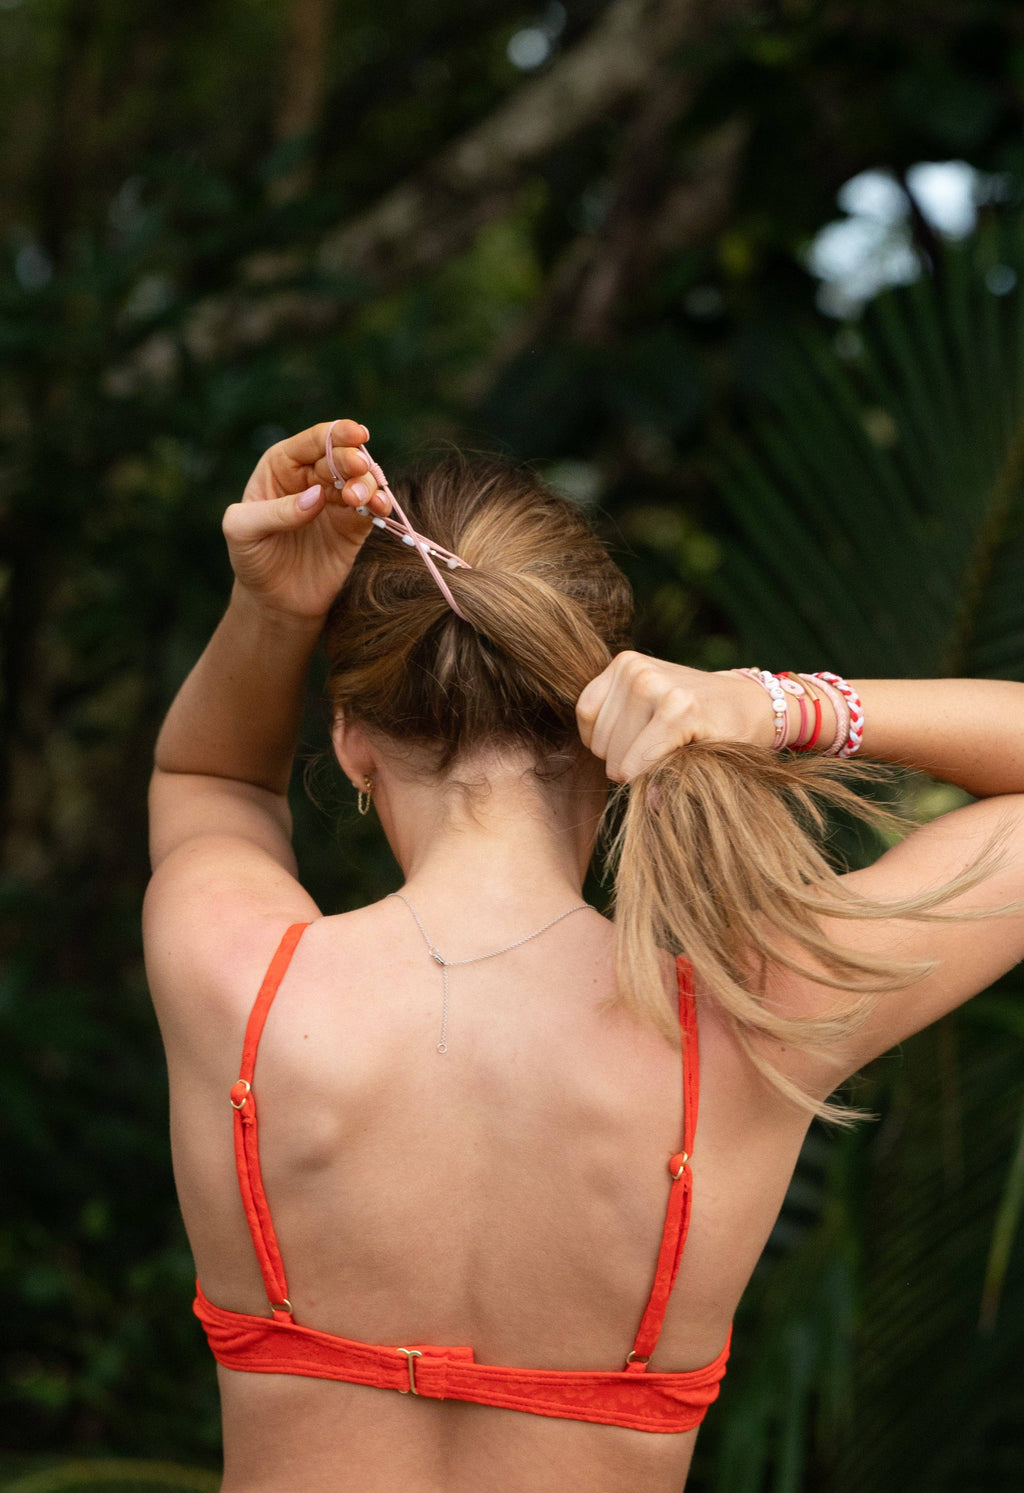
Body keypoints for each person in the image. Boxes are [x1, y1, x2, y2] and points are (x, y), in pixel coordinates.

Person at [143, 418, 1024, 1493]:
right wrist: (767, 703)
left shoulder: (240, 985)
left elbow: (209, 781)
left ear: (351, 738)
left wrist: (269, 607)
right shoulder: (754, 1020)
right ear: (611, 725)